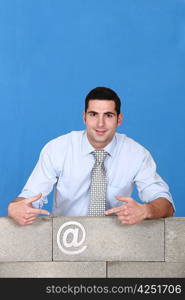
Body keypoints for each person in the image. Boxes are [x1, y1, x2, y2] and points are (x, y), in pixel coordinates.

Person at [8, 87, 175, 226]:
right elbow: (29, 197)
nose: (100, 124)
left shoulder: (137, 154)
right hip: (65, 237)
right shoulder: (57, 149)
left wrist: (146, 211)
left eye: (108, 115)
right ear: (84, 117)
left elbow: (166, 204)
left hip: (117, 238)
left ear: (119, 119)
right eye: (93, 114)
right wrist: (15, 207)